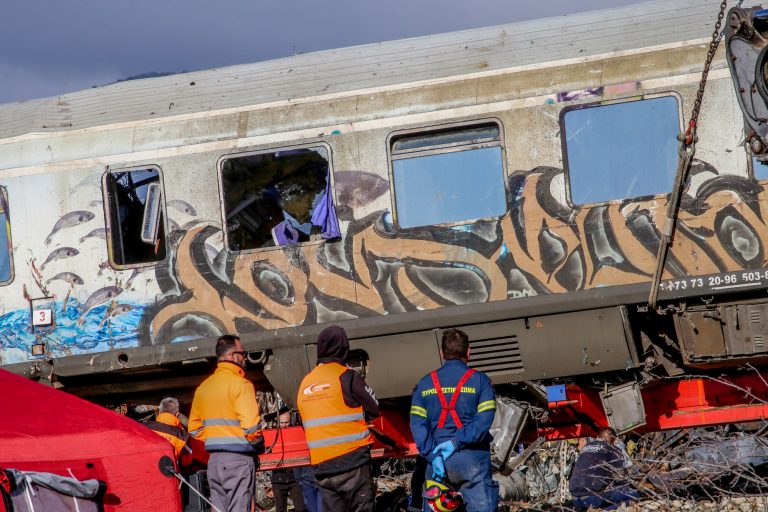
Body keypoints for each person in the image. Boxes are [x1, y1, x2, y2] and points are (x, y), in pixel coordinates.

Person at [410, 328, 499, 512]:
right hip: (473, 462)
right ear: (469, 352)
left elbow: (417, 426)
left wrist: (432, 455)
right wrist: (455, 442)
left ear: (442, 353)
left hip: (437, 464)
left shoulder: (424, 384)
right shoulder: (481, 381)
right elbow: (483, 422)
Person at [296, 325, 380, 512]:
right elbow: (374, 406)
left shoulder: (305, 382)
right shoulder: (346, 376)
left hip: (322, 467)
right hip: (352, 462)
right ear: (344, 348)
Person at [189, 335, 264, 512]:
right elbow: (252, 428)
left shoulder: (203, 388)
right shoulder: (241, 385)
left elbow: (194, 429)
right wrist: (258, 446)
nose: (245, 358)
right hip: (238, 460)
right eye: (242, 354)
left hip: (214, 462)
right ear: (232, 356)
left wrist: (217, 439)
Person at [568, 427, 639, 511]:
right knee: (634, 494)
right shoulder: (611, 448)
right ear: (614, 439)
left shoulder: (586, 447)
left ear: (599, 436)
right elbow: (622, 474)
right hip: (592, 499)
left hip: (575, 499)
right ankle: (605, 510)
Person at [271, 411, 307, 512]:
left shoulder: (295, 433)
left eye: (286, 422)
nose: (284, 425)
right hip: (278, 478)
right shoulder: (273, 435)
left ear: (290, 421)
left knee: (301, 508)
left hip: (294, 478)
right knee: (280, 509)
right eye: (281, 423)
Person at [145, 397, 192, 467]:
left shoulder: (144, 426)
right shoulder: (182, 436)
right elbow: (186, 462)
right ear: (177, 414)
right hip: (167, 471)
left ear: (159, 412)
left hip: (145, 467)